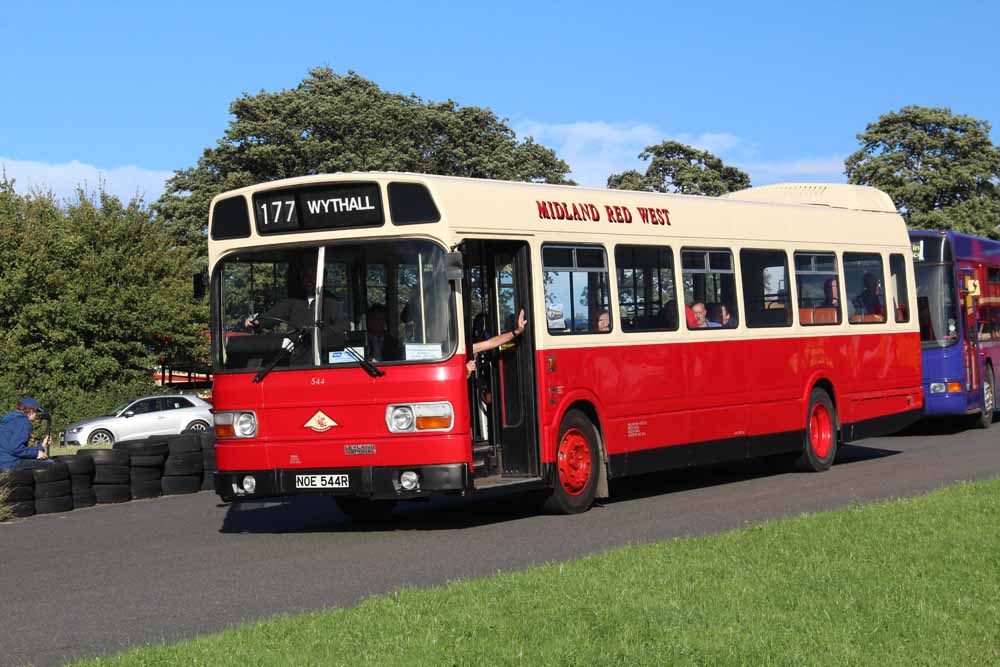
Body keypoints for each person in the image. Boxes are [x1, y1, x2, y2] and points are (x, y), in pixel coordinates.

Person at [243, 252, 349, 364]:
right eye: (305, 277)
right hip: (295, 362)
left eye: (312, 277)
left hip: (322, 360)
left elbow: (342, 327)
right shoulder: (293, 301)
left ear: (323, 279)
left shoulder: (332, 302)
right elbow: (274, 315)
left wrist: (316, 335)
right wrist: (258, 322)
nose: (308, 280)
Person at [466, 309, 527, 376]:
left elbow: (491, 343)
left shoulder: (466, 348)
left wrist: (517, 331)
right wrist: (466, 370)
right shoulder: (458, 349)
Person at [0, 398, 51, 471]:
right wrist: (36, 453)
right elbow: (16, 448)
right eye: (36, 411)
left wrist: (42, 446)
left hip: (3, 461)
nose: (37, 414)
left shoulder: (11, 420)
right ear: (31, 411)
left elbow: (16, 447)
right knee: (50, 464)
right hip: (10, 463)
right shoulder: (24, 422)